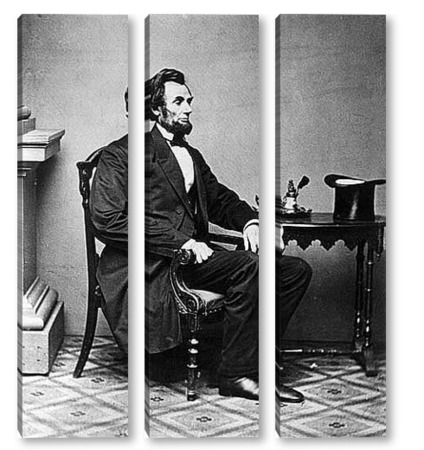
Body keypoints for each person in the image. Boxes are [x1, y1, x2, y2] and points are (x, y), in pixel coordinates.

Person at [89, 88, 128, 355]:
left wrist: (250, 221)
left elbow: (217, 197)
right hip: (130, 256)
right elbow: (107, 219)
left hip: (177, 254)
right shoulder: (117, 156)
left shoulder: (183, 153)